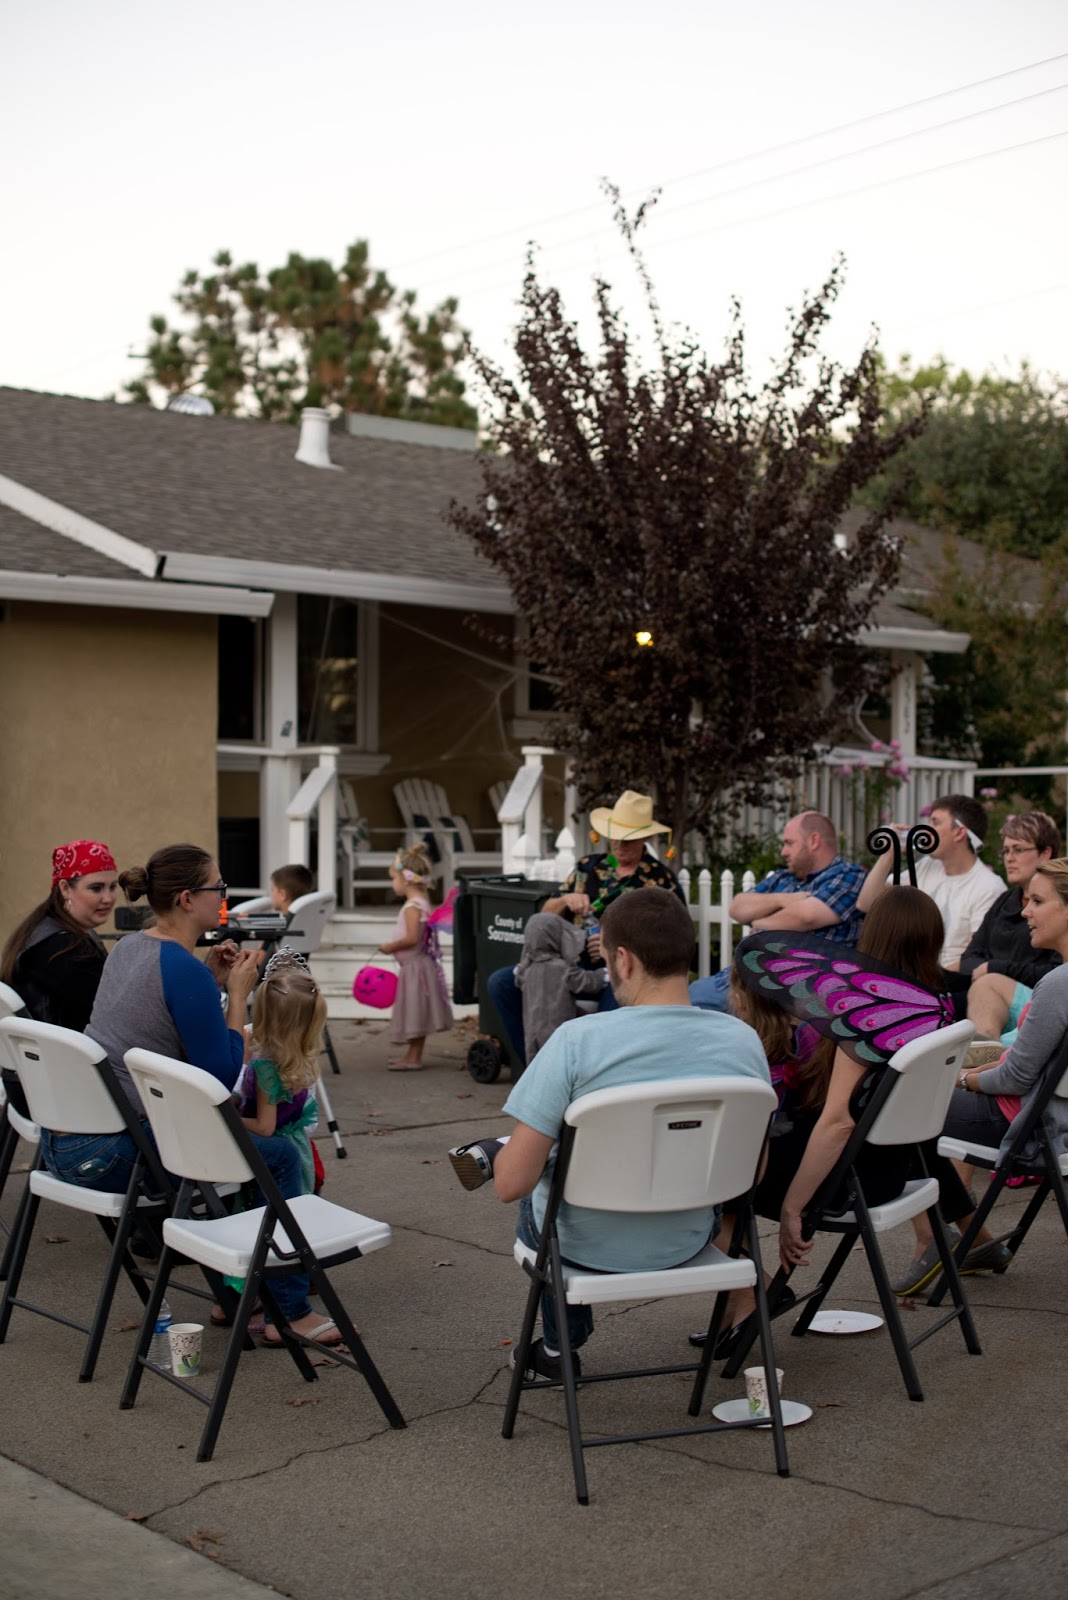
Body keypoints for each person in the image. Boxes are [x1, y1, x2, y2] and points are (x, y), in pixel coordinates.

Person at [56, 842, 341, 1348]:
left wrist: (209, 983)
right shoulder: (180, 967)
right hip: (119, 1151)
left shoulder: (131, 947)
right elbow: (220, 1075)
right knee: (276, 1156)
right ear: (188, 899)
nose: (225, 898)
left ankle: (241, 1293)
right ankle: (288, 1309)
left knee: (238, 1145)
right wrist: (235, 994)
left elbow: (163, 1022)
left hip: (75, 1139)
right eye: (220, 888)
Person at [493, 887, 770, 1382]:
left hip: (585, 1248)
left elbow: (509, 1182)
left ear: (622, 960)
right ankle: (560, 1348)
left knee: (536, 1187)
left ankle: (561, 1348)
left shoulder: (577, 1041)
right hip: (687, 1237)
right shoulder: (743, 1041)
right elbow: (754, 1169)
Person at [705, 888, 996, 1349]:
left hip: (849, 1177)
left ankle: (750, 1290)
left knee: (709, 1178)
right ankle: (736, 1302)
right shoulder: (938, 1010)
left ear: (871, 936)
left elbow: (837, 1123)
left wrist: (793, 1209)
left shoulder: (866, 1016)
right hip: (890, 1166)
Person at [487, 789, 683, 1064]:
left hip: (622, 970)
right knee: (502, 983)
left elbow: (671, 938)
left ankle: (595, 1074)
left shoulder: (660, 881)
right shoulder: (587, 867)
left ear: (645, 838)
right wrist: (565, 899)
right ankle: (537, 1068)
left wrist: (613, 941)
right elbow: (545, 915)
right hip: (567, 966)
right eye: (614, 835)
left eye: (628, 838)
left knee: (616, 1002)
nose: (619, 843)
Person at [937, 859, 1068, 1252]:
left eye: (1039, 901)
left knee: (897, 1112)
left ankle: (940, 1243)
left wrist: (965, 1079)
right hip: (1051, 1116)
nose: (1025, 910)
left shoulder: (1058, 985)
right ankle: (971, 1240)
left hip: (1030, 1121)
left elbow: (1015, 1080)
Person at [220, 949, 326, 1336]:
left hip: (269, 1151)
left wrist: (228, 1113)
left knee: (248, 1224)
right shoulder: (291, 1060)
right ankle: (278, 1312)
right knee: (281, 1227)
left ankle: (232, 1302)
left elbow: (259, 1123)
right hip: (288, 1152)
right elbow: (280, 1124)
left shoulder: (256, 1052)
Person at [690, 811, 866, 1011]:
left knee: (694, 1005)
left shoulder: (849, 877)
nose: (783, 852)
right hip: (741, 981)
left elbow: (805, 916)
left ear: (814, 841)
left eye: (789, 843)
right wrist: (786, 899)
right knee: (691, 995)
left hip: (797, 989)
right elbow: (738, 907)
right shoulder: (782, 878)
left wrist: (758, 922)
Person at [857, 794, 1004, 968]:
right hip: (907, 976)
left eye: (935, 822)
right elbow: (866, 903)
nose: (927, 828)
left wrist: (927, 981)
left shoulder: (988, 886)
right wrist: (890, 852)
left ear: (959, 832)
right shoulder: (927, 866)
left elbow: (975, 957)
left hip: (948, 984)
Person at [961, 812, 1061, 1043]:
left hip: (1039, 1002)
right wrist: (988, 968)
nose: (1009, 858)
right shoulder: (1004, 901)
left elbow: (1056, 973)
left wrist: (995, 968)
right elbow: (969, 958)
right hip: (988, 1001)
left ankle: (982, 1052)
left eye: (1018, 849)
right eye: (1005, 851)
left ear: (1045, 853)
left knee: (987, 982)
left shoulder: (1059, 906)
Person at [0, 839, 117, 1031]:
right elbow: (108, 1012)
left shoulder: (43, 929)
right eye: (96, 888)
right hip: (66, 1058)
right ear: (65, 888)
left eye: (112, 887)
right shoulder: (61, 948)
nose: (108, 898)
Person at [378, 846, 453, 1071]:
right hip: (417, 966)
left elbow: (412, 938)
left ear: (405, 879)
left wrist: (390, 946)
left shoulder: (412, 907)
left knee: (415, 1012)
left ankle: (414, 1058)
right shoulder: (422, 902)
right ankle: (412, 1054)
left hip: (415, 968)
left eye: (393, 878)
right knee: (416, 1010)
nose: (393, 884)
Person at [514, 913, 606, 1064]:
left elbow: (519, 979)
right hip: (557, 1027)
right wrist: (602, 974)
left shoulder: (527, 968)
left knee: (536, 1059)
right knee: (560, 1059)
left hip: (532, 1029)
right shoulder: (563, 968)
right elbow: (585, 982)